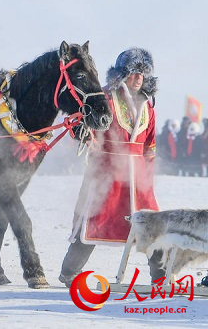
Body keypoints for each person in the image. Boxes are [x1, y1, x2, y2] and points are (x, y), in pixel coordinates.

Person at [59, 47, 162, 286]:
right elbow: (86, 127)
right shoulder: (104, 97)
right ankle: (69, 273)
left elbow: (150, 145)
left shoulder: (148, 105)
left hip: (138, 178)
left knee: (152, 226)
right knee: (94, 221)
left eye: (142, 73)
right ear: (122, 74)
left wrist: (147, 175)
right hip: (106, 173)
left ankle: (161, 277)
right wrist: (84, 134)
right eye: (133, 72)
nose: (138, 78)